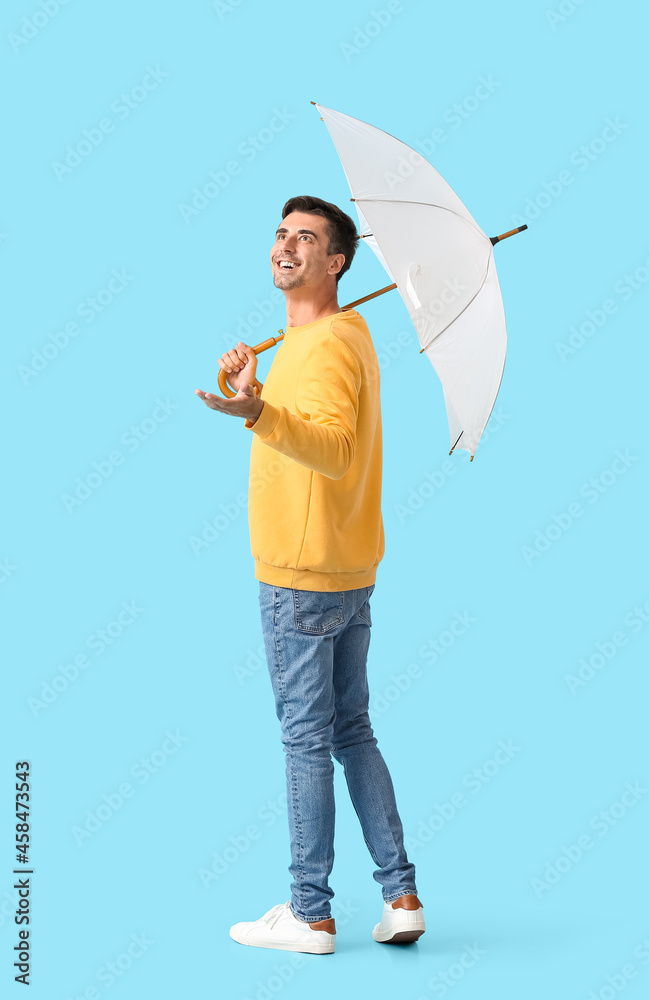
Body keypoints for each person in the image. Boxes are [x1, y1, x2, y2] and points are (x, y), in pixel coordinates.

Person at [195, 195, 423, 955]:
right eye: (281, 233)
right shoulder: (338, 335)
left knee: (304, 741)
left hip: (301, 575)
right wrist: (254, 384)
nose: (286, 246)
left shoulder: (323, 345)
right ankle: (400, 895)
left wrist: (257, 412)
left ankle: (310, 912)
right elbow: (315, 425)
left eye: (308, 239)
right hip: (347, 568)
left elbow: (327, 449)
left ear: (338, 262)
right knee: (350, 731)